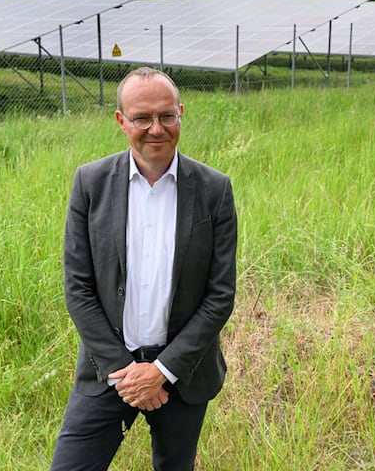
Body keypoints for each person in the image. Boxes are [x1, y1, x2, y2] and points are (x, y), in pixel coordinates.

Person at [50, 66, 238, 470]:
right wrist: (126, 371)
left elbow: (220, 295)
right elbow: (78, 288)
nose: (156, 129)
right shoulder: (90, 183)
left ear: (180, 113)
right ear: (121, 121)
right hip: (109, 370)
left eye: (167, 115)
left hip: (183, 374)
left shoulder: (213, 189)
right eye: (142, 118)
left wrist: (162, 370)